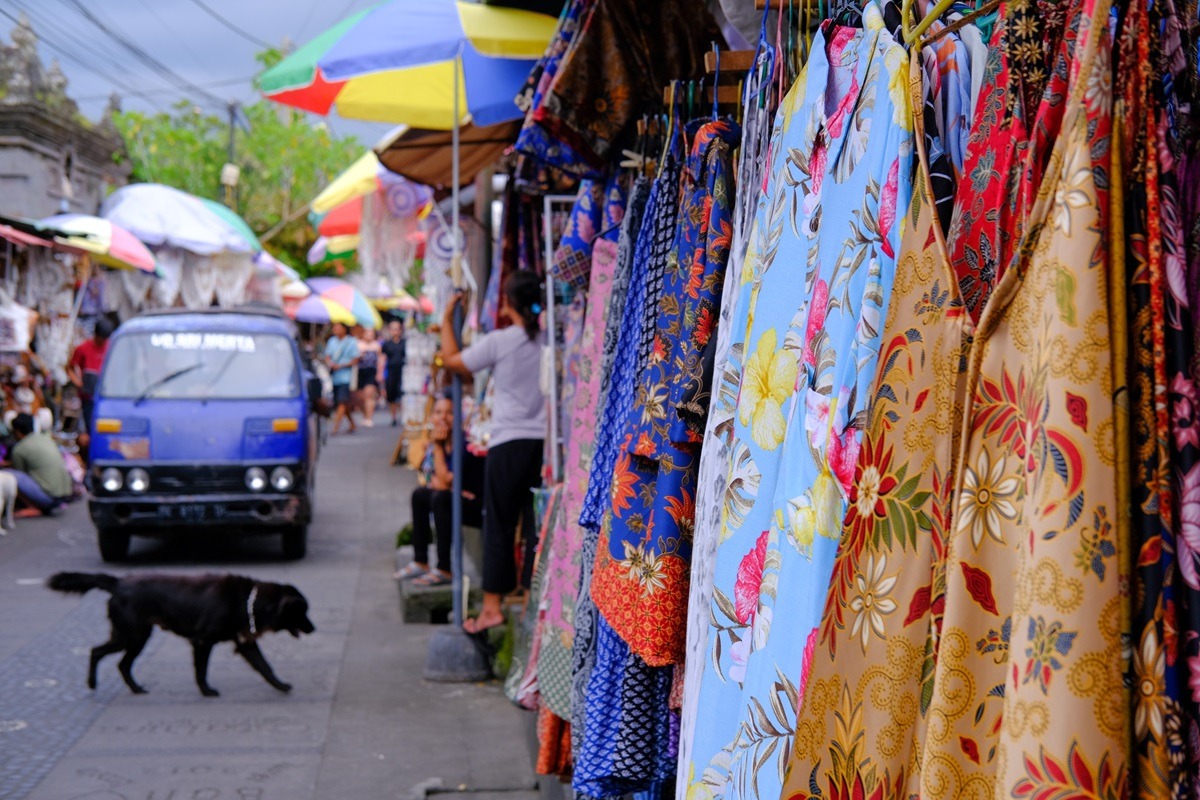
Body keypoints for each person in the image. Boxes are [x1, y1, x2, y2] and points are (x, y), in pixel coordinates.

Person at [439, 271, 546, 634]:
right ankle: (535, 602)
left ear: (508, 303)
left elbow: (453, 361)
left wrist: (445, 318)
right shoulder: (550, 339)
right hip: (544, 446)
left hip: (508, 444)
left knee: (499, 523)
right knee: (537, 527)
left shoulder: (503, 340)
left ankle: (491, 609)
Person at [395, 394, 485, 585]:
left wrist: (437, 446)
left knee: (441, 499)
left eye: (449, 413)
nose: (443, 417)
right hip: (455, 497)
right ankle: (421, 561)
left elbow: (443, 482)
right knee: (420, 495)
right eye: (438, 412)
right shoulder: (439, 443)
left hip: (478, 507)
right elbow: (427, 478)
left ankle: (444, 568)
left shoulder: (464, 444)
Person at [6, 412, 72, 516]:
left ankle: (33, 507)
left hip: (49, 498)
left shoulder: (19, 449)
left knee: (9, 475)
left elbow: (20, 473)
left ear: (17, 432)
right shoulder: (45, 438)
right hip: (65, 495)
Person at [68, 317, 114, 440]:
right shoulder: (82, 348)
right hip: (88, 397)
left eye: (106, 339)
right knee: (91, 428)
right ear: (96, 335)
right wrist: (78, 383)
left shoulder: (111, 347)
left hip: (107, 395)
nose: (103, 342)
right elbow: (70, 368)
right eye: (101, 339)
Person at [323, 322, 359, 435]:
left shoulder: (351, 341)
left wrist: (343, 365)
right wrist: (330, 363)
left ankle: (336, 427)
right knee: (343, 402)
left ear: (344, 329)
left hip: (346, 377)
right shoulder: (331, 341)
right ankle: (352, 423)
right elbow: (327, 356)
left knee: (342, 401)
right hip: (335, 377)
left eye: (338, 328)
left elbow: (356, 358)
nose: (336, 330)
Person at [380, 319, 406, 427]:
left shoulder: (405, 343)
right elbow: (382, 358)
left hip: (403, 372)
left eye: (397, 329)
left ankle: (402, 416)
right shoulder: (386, 344)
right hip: (390, 372)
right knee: (391, 396)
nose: (396, 331)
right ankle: (393, 416)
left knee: (402, 394)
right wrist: (380, 373)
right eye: (393, 329)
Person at [356, 326, 382, 427]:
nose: (370, 335)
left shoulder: (376, 346)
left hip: (371, 372)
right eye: (368, 333)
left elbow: (380, 360)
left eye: (372, 333)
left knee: (369, 395)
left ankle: (369, 418)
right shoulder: (358, 344)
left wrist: (379, 373)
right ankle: (365, 415)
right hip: (360, 372)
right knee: (360, 397)